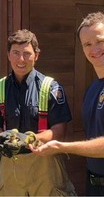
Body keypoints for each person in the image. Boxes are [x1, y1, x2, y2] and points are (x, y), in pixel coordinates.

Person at [0, 29, 76, 196]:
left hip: (45, 166)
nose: (21, 59)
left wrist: (29, 139)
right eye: (16, 53)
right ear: (8, 55)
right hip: (11, 168)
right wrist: (6, 139)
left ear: (37, 55)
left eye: (27, 53)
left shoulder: (51, 88)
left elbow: (59, 132)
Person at [30, 11, 104, 196]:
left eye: (100, 41)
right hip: (94, 184)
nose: (94, 49)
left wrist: (62, 147)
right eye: (87, 44)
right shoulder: (93, 88)